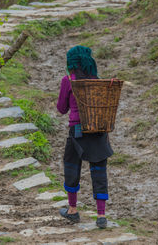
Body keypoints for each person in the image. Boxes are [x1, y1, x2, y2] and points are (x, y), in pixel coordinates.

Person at [57, 45, 113, 229]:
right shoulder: (98, 81)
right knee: (99, 171)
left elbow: (61, 108)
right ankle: (101, 215)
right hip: (98, 131)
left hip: (78, 132)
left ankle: (72, 209)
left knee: (72, 167)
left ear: (71, 62)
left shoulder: (69, 81)